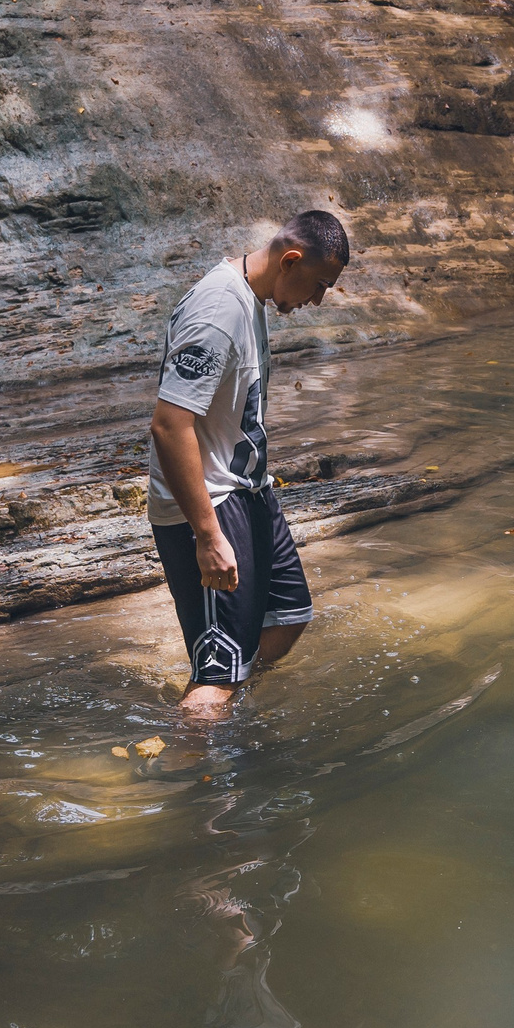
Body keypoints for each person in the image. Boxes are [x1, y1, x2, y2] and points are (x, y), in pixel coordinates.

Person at [146, 211, 351, 714]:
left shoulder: (250, 299)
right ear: (290, 261)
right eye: (319, 285)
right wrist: (207, 536)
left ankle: (224, 711)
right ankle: (190, 746)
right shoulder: (218, 309)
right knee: (218, 674)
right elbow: (169, 426)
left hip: (248, 490)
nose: (317, 301)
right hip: (212, 501)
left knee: (288, 616)